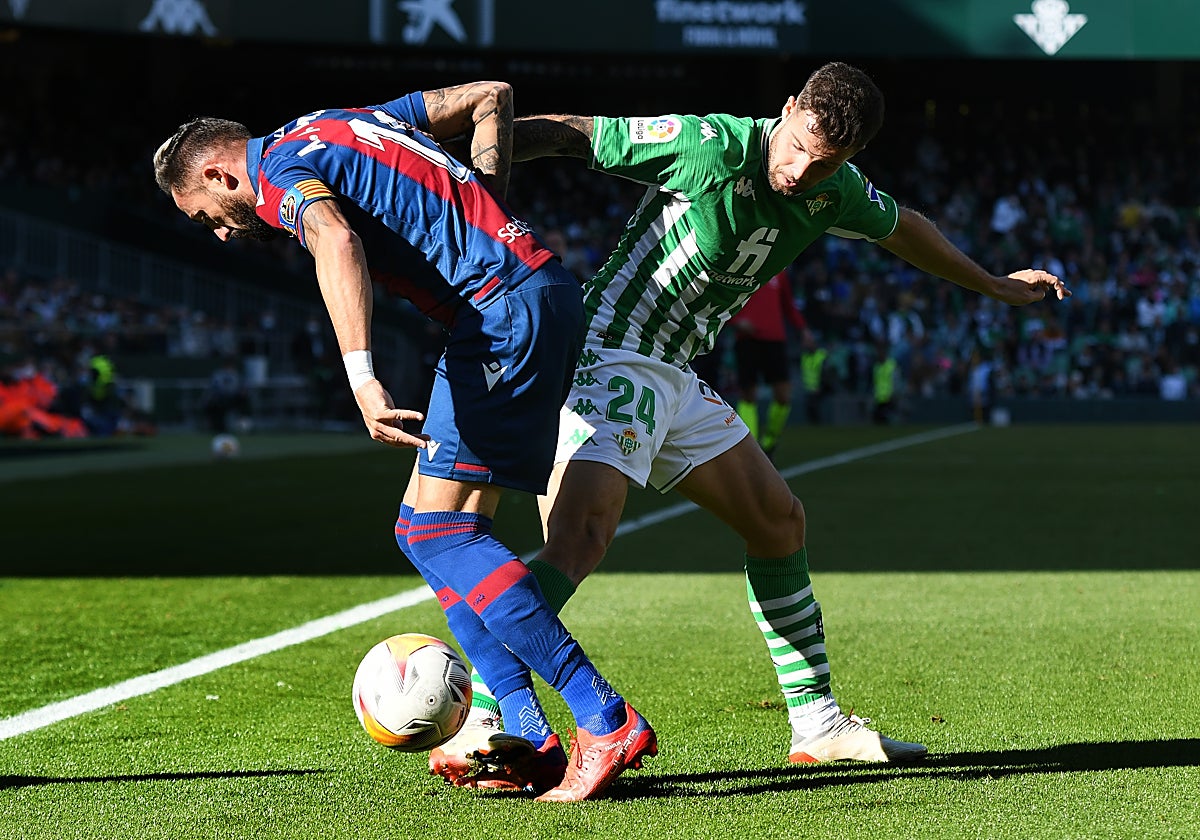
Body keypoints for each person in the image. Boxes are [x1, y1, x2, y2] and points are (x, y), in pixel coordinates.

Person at [431, 61, 1070, 785]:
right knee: (578, 540)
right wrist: (462, 180)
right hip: (610, 352)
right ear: (789, 107)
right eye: (797, 144)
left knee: (778, 521)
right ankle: (484, 714)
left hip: (673, 367)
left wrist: (990, 283)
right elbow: (570, 135)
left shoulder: (836, 192)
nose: (800, 170)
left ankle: (817, 722)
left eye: (824, 161)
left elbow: (905, 230)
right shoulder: (708, 145)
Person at [152, 80, 655, 802]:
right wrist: (488, 198)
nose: (225, 232)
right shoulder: (336, 122)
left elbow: (335, 237)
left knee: (445, 532)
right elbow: (490, 96)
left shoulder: (274, 178)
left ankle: (604, 717)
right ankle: (528, 734)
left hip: (501, 312)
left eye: (209, 217)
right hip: (516, 301)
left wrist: (362, 378)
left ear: (219, 174)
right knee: (423, 530)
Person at [729, 268, 807, 456]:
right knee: (749, 395)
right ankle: (751, 449)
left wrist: (803, 329)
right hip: (747, 339)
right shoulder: (742, 266)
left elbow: (788, 304)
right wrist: (736, 321)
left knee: (783, 396)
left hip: (775, 340)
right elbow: (724, 300)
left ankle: (770, 440)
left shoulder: (779, 270)